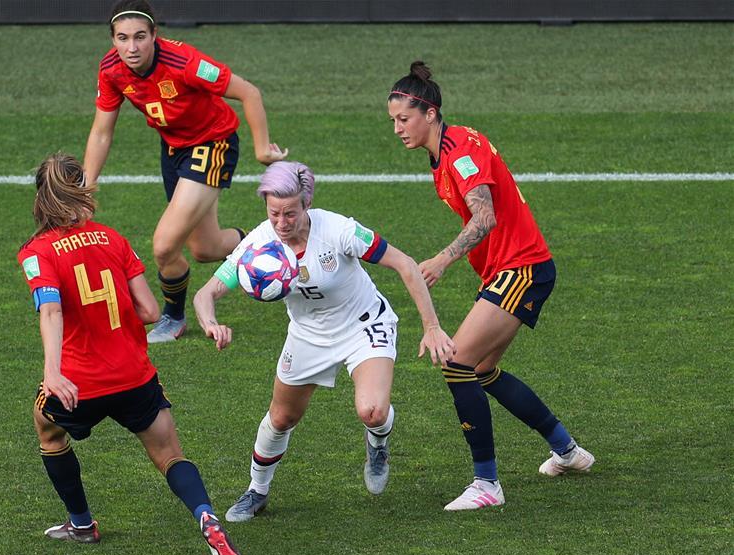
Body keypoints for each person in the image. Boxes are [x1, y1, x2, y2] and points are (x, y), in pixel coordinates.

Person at [17, 153, 244, 555]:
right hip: (135, 376)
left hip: (80, 383)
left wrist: (52, 371)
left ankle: (82, 524)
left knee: (47, 428)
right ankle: (207, 518)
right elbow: (151, 310)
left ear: (42, 197)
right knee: (170, 455)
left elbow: (51, 311)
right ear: (81, 191)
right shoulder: (112, 238)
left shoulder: (37, 253)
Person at [193, 161, 455, 522]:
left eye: (290, 213)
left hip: (363, 325)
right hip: (308, 335)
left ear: (306, 204)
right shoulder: (259, 245)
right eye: (274, 214)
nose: (282, 224)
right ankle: (257, 490)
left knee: (372, 411)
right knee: (281, 418)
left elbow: (406, 264)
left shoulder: (340, 230)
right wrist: (211, 323)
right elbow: (206, 293)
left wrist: (432, 326)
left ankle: (378, 442)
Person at [387, 62, 596, 511]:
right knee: (480, 370)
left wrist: (443, 258)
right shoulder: (441, 150)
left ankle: (487, 484)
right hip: (507, 269)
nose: (398, 128)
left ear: (429, 111)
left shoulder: (460, 151)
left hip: (521, 268)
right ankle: (568, 452)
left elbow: (486, 216)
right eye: (393, 121)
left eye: (403, 119)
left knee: (457, 363)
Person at [83, 0, 287, 343]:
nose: (131, 47)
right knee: (206, 248)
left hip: (213, 144)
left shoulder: (184, 62)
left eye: (139, 37)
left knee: (163, 246)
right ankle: (271, 243)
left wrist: (262, 148)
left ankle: (173, 317)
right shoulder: (111, 69)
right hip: (174, 150)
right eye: (122, 38)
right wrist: (86, 185)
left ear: (154, 36)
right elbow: (102, 131)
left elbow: (249, 93)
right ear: (113, 39)